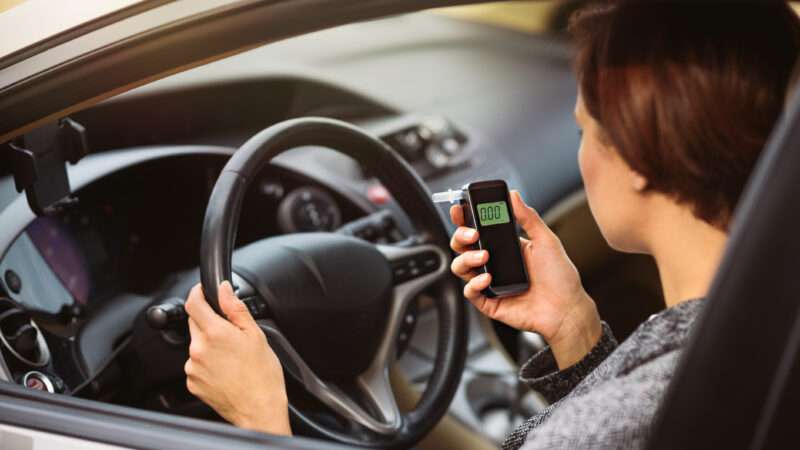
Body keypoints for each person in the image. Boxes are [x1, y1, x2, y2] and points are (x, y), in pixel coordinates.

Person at [181, 1, 800, 448]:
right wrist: (576, 332)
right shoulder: (761, 331)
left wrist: (261, 422)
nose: (582, 149)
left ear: (638, 160)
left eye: (585, 128)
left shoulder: (622, 418)